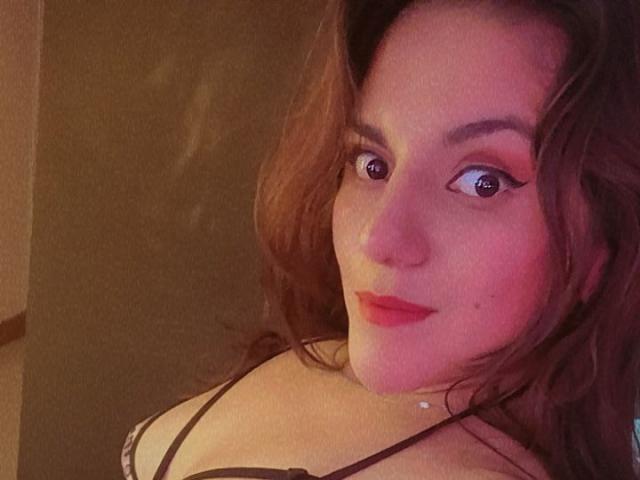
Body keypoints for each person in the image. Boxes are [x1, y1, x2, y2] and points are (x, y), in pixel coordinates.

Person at [121, 0, 640, 479]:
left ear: (602, 245)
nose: (378, 237)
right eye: (372, 164)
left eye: (483, 182)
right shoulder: (314, 359)